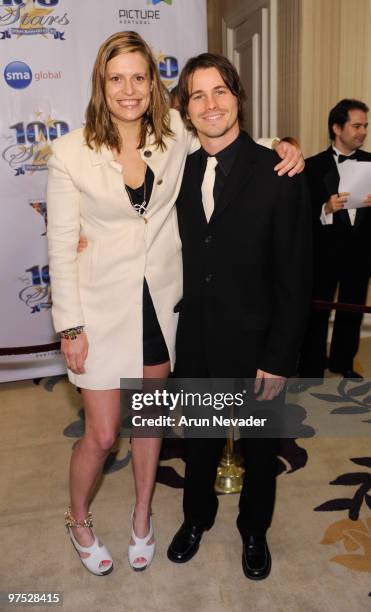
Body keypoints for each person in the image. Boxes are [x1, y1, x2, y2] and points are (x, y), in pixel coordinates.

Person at [47, 31, 304, 576]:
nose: (129, 88)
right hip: (101, 311)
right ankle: (81, 519)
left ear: (157, 88)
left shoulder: (172, 143)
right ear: (101, 84)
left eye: (140, 76)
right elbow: (61, 244)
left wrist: (287, 145)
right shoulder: (73, 152)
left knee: (160, 425)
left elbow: (234, 149)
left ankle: (149, 517)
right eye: (116, 77)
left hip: (165, 313)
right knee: (101, 433)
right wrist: (69, 326)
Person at [166, 53, 312, 580]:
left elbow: (295, 280)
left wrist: (278, 358)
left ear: (238, 98)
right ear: (184, 108)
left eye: (220, 91)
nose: (210, 104)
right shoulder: (174, 171)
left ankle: (255, 530)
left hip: (257, 342)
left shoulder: (279, 171)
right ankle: (195, 518)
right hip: (198, 337)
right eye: (198, 95)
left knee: (260, 444)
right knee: (199, 441)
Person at [298, 99, 371, 382]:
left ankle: (343, 362)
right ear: (336, 127)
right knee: (317, 311)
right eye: (356, 125)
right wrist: (326, 209)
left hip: (360, 253)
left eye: (365, 126)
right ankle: (312, 367)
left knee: (352, 311)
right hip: (324, 253)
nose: (362, 131)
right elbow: (301, 216)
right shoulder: (312, 166)